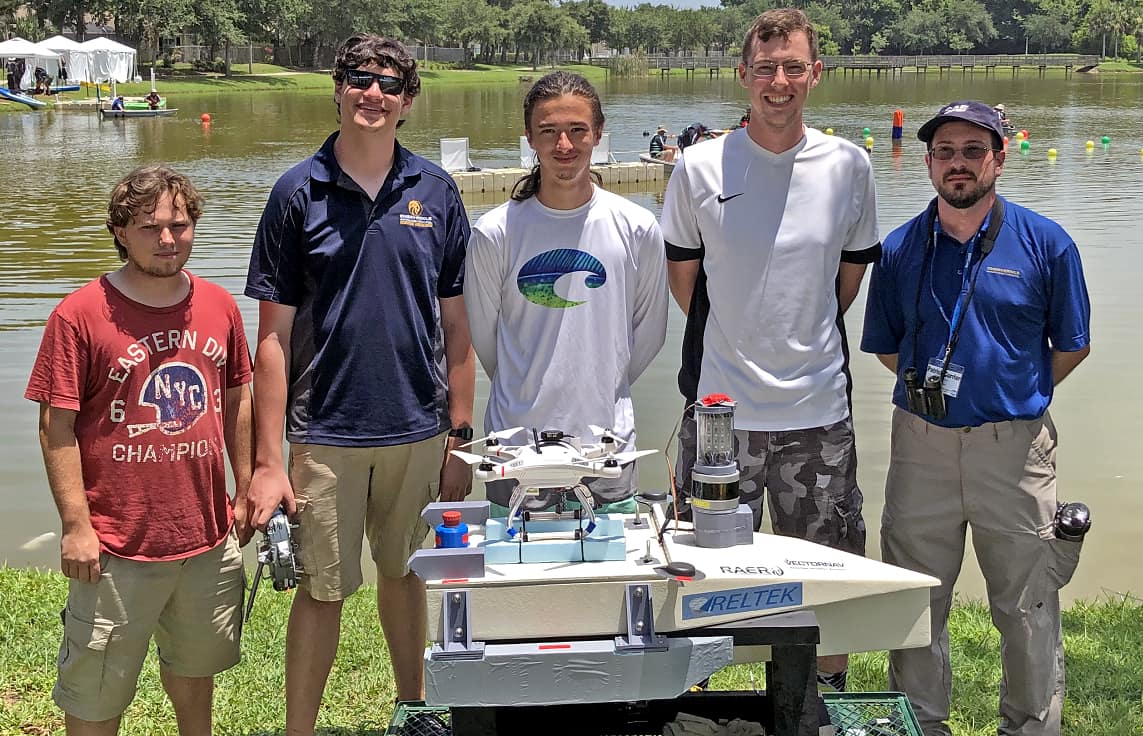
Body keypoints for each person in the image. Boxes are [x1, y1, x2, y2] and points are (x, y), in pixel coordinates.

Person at [244, 32, 474, 734]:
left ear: (408, 101)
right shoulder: (296, 193)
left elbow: (457, 329)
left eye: (387, 83)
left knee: (405, 575)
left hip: (418, 427)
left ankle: (414, 709)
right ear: (337, 87)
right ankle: (300, 730)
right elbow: (272, 339)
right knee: (322, 589)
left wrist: (460, 437)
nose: (372, 93)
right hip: (326, 431)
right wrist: (265, 462)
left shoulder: (435, 191)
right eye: (358, 78)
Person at [659, 7, 880, 693]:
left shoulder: (850, 165)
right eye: (764, 68)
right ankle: (688, 700)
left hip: (818, 412)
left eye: (792, 67)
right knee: (699, 573)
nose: (777, 82)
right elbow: (685, 281)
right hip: (721, 416)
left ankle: (823, 700)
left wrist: (795, 328)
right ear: (742, 75)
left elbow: (844, 280)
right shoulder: (698, 167)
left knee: (829, 569)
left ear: (815, 73)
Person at [860, 100, 1091, 736]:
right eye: (944, 152)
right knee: (914, 599)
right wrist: (940, 402)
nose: (957, 164)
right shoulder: (902, 247)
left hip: (1014, 450)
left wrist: (1010, 396)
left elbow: (1071, 345)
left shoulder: (1047, 244)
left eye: (971, 150)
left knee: (1027, 605)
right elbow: (886, 345)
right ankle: (920, 723)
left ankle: (1029, 726)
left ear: (999, 155)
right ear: (929, 162)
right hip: (921, 444)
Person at [25, 165, 254, 736]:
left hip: (204, 537)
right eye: (149, 226)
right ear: (121, 231)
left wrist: (246, 486)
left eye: (179, 224)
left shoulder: (220, 307)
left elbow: (237, 398)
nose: (168, 238)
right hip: (115, 545)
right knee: (96, 692)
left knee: (195, 675)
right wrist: (76, 525)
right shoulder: (79, 314)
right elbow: (56, 428)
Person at [465, 71, 668, 518]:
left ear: (598, 133)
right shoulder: (494, 232)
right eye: (549, 131)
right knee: (519, 582)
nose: (564, 145)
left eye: (578, 130)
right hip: (514, 452)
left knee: (611, 583)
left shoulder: (637, 227)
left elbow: (649, 334)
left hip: (606, 450)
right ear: (529, 137)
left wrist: (599, 385)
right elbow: (486, 341)